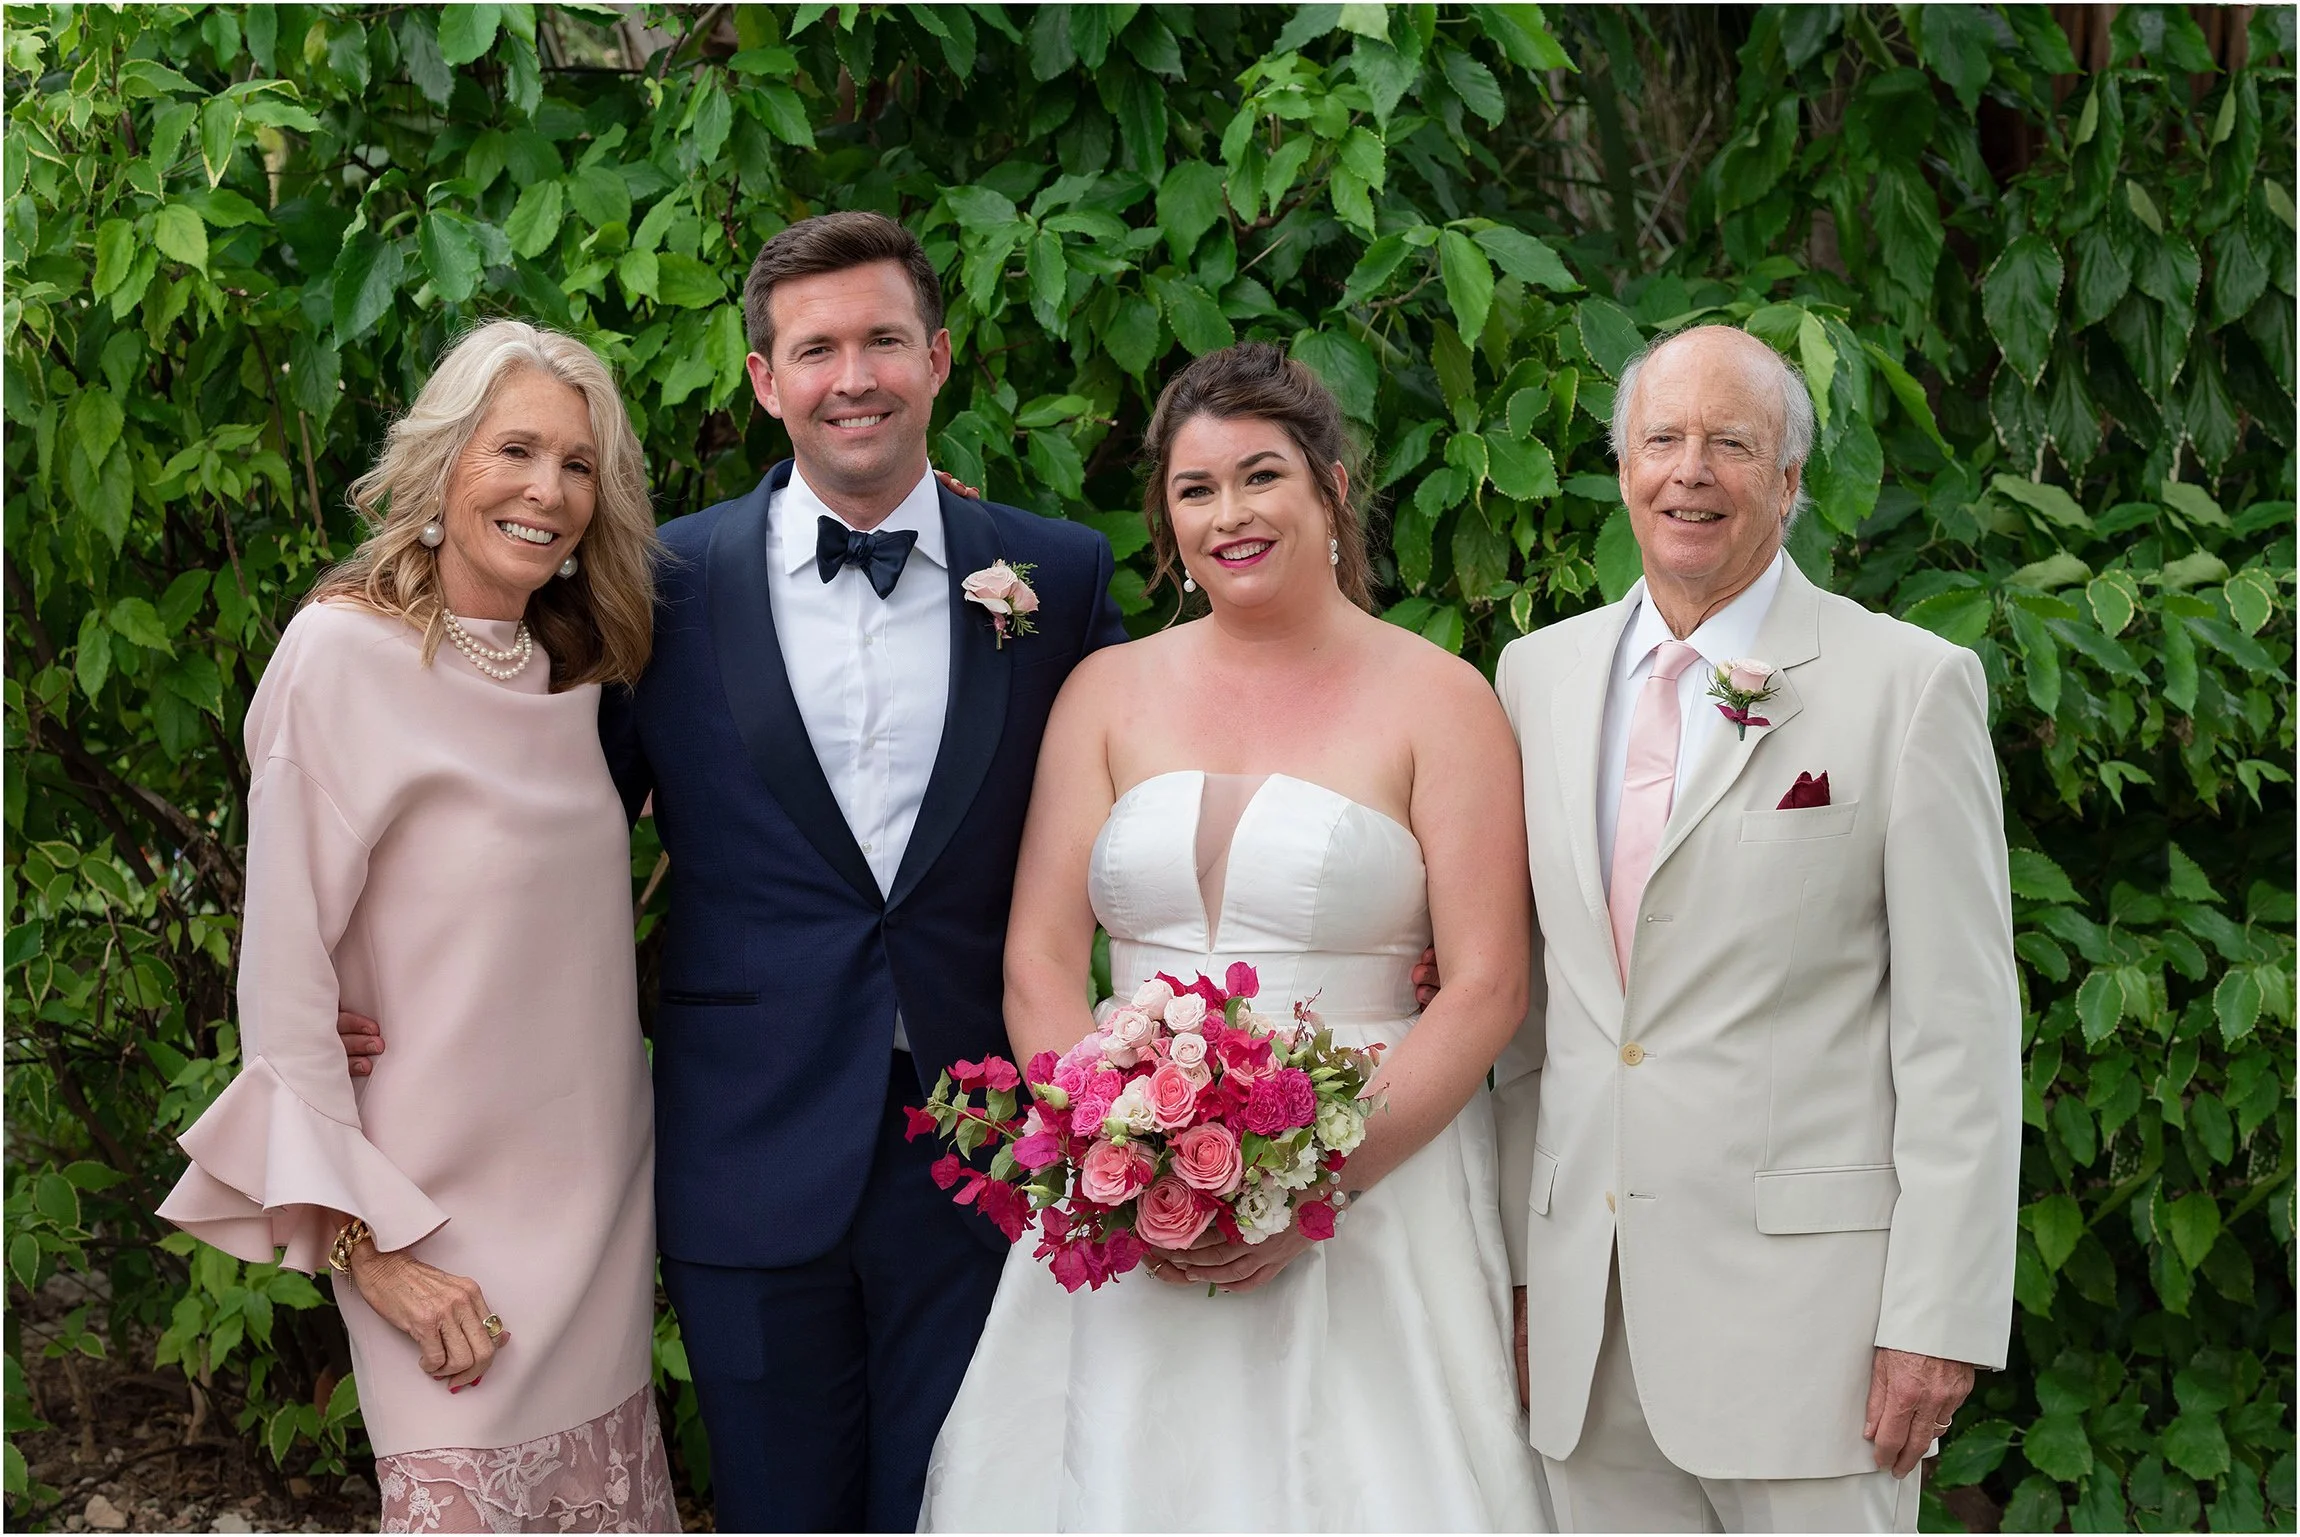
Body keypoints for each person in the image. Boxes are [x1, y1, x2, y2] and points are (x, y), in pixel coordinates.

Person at [920, 342, 1550, 1531]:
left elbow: (1484, 987)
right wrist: (1107, 1158)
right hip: (1129, 1201)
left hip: (1373, 1191)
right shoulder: (1103, 692)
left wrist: (1307, 1189)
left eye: (1260, 477)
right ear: (1165, 516)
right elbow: (1042, 960)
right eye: (1195, 489)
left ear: (1330, 488)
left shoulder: (1439, 698)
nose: (1230, 515)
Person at [594, 211, 1130, 1532]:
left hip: (985, 1136)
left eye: (884, 340)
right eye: (816, 349)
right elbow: (560, 822)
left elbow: (1149, 802)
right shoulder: (663, 583)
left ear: (939, 358)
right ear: (766, 380)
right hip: (748, 1136)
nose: (855, 376)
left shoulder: (1054, 575)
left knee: (959, 1505)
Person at [1488, 324, 2021, 1532]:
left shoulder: (1909, 684)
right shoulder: (1534, 677)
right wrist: (1523, 1274)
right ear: (1620, 466)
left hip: (1814, 1339)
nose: (1691, 472)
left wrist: (1932, 1321)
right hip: (1584, 1326)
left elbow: (1959, 1034)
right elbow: (1529, 1026)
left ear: (1786, 483)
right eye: (1662, 439)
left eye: (1731, 444)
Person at [157, 321, 676, 1532]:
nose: (547, 491)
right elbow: (284, 995)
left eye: (579, 464)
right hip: (428, 1220)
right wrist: (369, 1253)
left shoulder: (579, 675)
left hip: (596, 1211)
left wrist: (911, 502)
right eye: (515, 451)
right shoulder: (338, 658)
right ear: (443, 464)